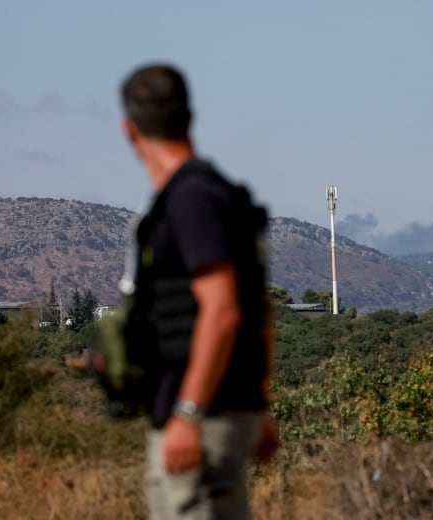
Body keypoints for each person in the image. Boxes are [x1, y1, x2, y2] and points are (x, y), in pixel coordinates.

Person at [119, 63, 279, 519]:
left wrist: (188, 413)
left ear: (129, 131)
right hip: (229, 406)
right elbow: (259, 310)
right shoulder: (225, 195)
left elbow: (224, 309)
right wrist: (259, 402)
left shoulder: (190, 201)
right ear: (189, 120)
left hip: (201, 415)